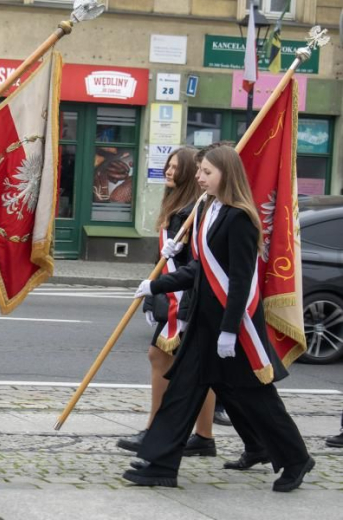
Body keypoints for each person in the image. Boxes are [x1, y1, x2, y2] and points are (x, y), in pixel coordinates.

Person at [124, 145, 314, 493]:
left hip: (232, 328)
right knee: (182, 391)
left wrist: (228, 331)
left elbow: (241, 279)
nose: (199, 177)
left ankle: (295, 458)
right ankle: (161, 463)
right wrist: (156, 284)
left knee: (258, 399)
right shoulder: (211, 209)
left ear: (226, 174)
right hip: (203, 323)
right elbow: (200, 269)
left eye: (206, 172)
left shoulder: (239, 217)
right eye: (199, 171)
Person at [117, 147, 218, 461]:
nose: (169, 171)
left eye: (176, 167)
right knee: (200, 372)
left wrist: (163, 297)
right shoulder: (177, 207)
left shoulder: (189, 212)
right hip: (173, 297)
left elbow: (192, 264)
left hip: (186, 300)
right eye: (168, 165)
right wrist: (153, 300)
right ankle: (203, 436)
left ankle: (155, 429)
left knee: (161, 357)